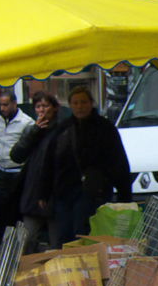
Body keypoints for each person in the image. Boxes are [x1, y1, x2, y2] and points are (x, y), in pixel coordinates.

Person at [45, 86, 132, 246]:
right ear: (70, 105)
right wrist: (43, 193)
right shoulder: (63, 129)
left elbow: (119, 161)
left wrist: (124, 195)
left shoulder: (105, 128)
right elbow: (50, 162)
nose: (80, 106)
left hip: (94, 192)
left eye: (83, 102)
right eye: (76, 103)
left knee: (85, 235)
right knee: (64, 236)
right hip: (64, 192)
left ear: (91, 103)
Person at [10, 91, 67, 253]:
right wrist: (34, 132)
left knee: (57, 243)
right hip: (33, 193)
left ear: (55, 108)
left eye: (45, 106)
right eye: (38, 106)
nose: (42, 110)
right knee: (26, 239)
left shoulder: (62, 129)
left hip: (55, 193)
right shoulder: (32, 129)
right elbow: (16, 155)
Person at [0, 91, 31, 232]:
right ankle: (2, 242)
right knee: (0, 209)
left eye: (5, 105)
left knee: (16, 211)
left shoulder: (26, 122)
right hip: (2, 170)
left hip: (18, 172)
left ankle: (16, 244)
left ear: (14, 103)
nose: (2, 108)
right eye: (0, 105)